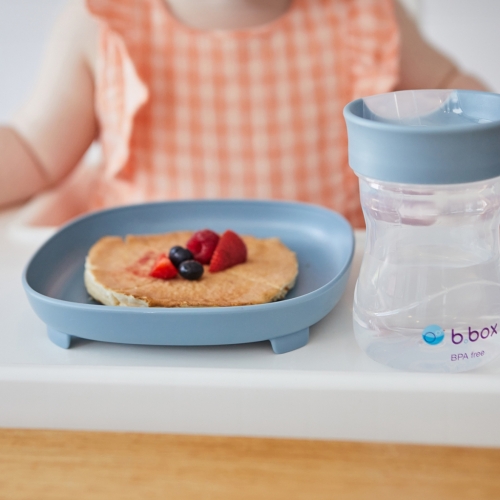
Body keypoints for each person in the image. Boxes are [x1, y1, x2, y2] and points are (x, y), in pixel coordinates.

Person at [0, 0, 487, 228]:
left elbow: (451, 93)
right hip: (143, 282)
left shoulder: (365, 15)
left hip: (328, 279)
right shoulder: (104, 22)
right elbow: (33, 152)